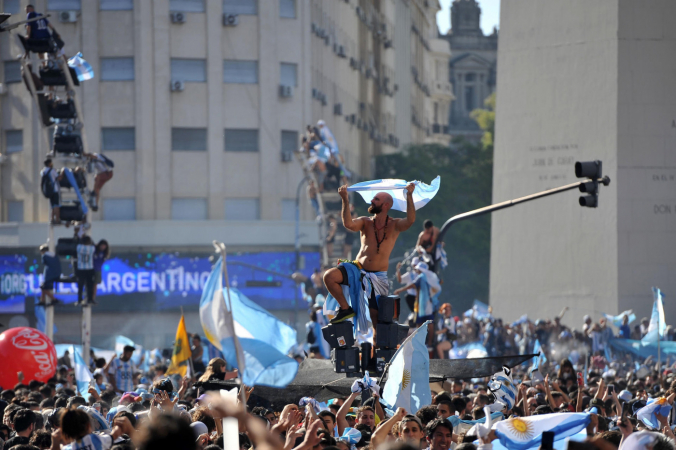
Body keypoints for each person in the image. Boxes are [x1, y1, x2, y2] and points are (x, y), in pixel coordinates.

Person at [323, 183, 416, 337]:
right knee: (329, 276)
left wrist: (409, 196)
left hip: (378, 277)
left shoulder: (394, 225)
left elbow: (410, 220)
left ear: (386, 205)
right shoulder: (366, 222)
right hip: (357, 269)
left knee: (377, 322)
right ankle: (346, 309)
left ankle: (376, 356)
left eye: (376, 199)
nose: (372, 201)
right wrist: (345, 200)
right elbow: (348, 224)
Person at [75, 235, 96, 305]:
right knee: (90, 285)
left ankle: (79, 299)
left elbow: (78, 243)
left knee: (80, 285)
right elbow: (93, 244)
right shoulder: (91, 248)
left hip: (81, 268)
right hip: (89, 268)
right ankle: (90, 298)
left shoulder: (79, 247)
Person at [40, 158, 61, 224]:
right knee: (56, 206)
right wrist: (62, 173)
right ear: (49, 164)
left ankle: (52, 219)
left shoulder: (42, 171)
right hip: (54, 190)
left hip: (49, 191)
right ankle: (57, 220)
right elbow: (58, 178)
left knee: (52, 206)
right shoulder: (52, 170)